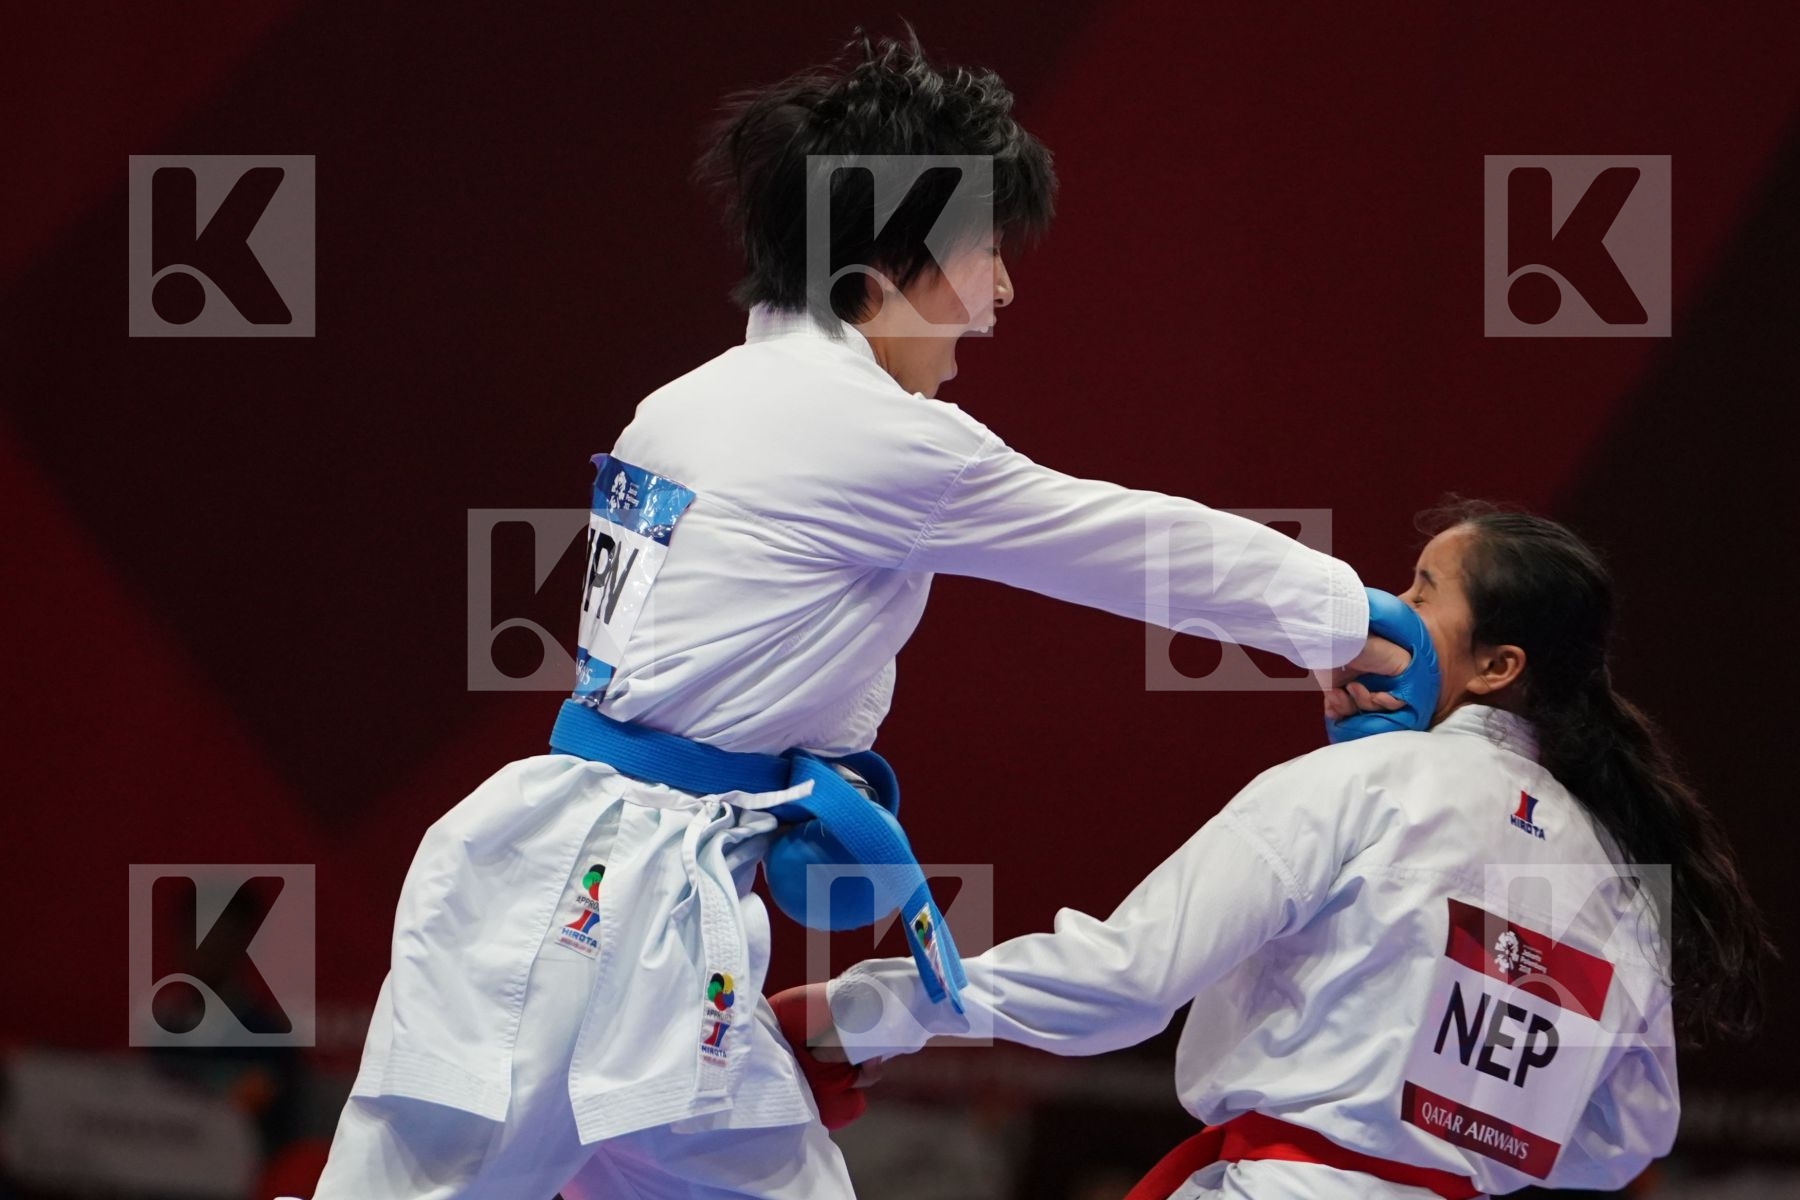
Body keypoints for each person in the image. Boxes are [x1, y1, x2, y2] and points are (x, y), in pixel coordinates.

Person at [305, 29, 1407, 1200]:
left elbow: (714, 667)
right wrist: (1359, 619)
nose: (1003, 291)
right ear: (886, 264)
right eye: (986, 251)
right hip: (583, 914)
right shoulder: (875, 435)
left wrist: (813, 770)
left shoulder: (693, 401)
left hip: (651, 907)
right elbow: (1138, 548)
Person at [792, 502, 1773, 1198]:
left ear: (1497, 666)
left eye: (1422, 589)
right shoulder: (1614, 872)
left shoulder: (1367, 785)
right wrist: (1449, 1139)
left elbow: (1127, 981)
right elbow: (1622, 1143)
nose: (1387, 610)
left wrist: (865, 1010)